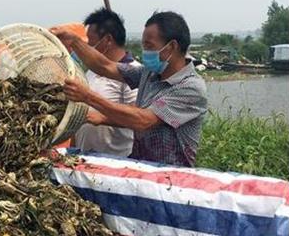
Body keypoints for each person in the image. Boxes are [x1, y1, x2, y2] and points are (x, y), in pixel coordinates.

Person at [51, 11, 207, 167]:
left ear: (171, 47)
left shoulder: (190, 88)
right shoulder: (150, 73)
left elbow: (143, 120)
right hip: (140, 167)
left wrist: (88, 97)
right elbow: (106, 66)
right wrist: (75, 42)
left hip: (171, 177)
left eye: (149, 46)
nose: (145, 51)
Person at [74, 8, 138, 157]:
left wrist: (103, 118)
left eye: (91, 41)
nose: (88, 47)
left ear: (107, 40)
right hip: (85, 158)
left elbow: (138, 118)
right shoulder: (91, 71)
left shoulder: (134, 74)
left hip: (116, 162)